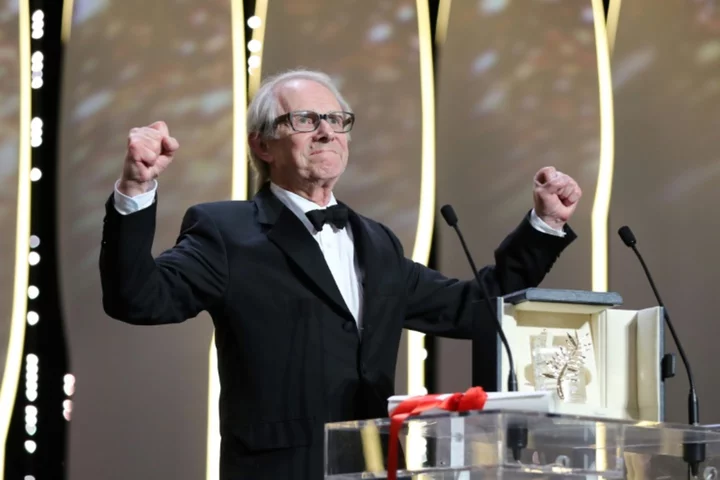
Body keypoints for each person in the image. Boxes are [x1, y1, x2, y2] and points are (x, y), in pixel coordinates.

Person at [99, 69, 582, 480]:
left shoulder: (377, 243)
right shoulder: (226, 231)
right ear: (262, 145)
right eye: (305, 120)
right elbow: (139, 298)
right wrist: (135, 189)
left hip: (373, 467)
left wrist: (544, 226)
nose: (326, 132)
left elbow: (472, 309)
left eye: (335, 120)